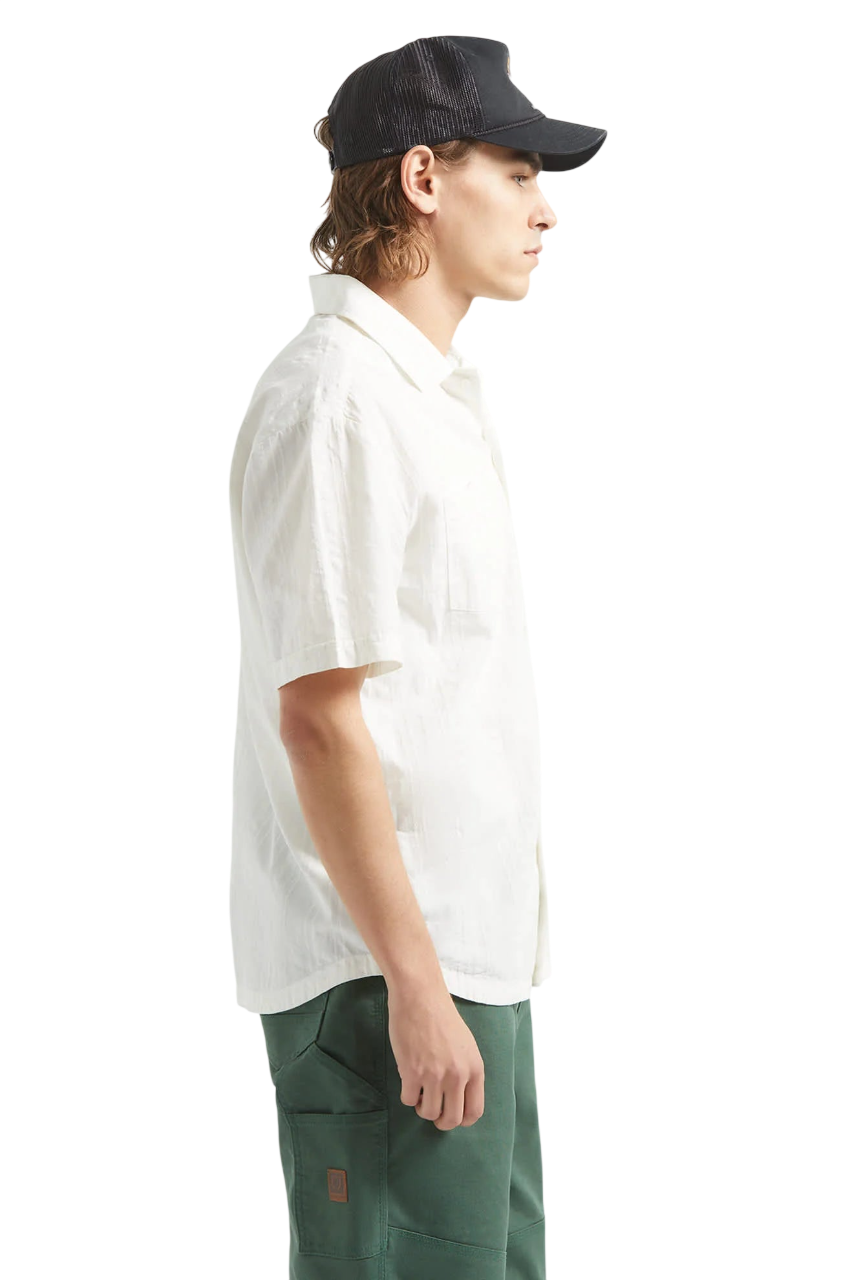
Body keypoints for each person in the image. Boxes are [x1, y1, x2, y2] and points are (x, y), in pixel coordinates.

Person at [227, 34, 607, 1279]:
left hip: (465, 959)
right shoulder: (336, 397)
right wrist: (413, 982)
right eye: (521, 173)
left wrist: (455, 978)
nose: (547, 211)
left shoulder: (430, 395)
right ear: (425, 178)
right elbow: (319, 715)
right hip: (385, 975)